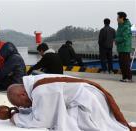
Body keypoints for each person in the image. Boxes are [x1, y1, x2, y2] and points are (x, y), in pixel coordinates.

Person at [7, 74, 136, 131]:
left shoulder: (40, 91)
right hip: (89, 95)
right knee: (62, 116)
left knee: (67, 120)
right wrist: (23, 111)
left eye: (21, 104)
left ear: (22, 94)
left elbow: (43, 120)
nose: (23, 106)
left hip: (90, 102)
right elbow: (41, 108)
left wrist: (16, 118)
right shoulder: (33, 82)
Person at [115, 12, 132, 82]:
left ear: (122, 18)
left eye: (118, 17)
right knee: (121, 64)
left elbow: (125, 37)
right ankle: (124, 77)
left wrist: (117, 40)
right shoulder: (120, 26)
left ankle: (129, 78)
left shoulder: (126, 27)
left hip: (125, 48)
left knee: (126, 63)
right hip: (120, 48)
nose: (117, 19)